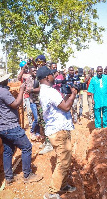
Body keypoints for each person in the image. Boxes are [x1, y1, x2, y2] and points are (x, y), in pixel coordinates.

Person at [0, 71, 42, 185]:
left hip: (1, 127)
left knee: (8, 150)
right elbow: (16, 104)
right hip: (9, 126)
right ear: (3, 80)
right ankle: (27, 175)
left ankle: (9, 177)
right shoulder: (3, 92)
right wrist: (22, 90)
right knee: (27, 147)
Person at [37, 66, 77, 199]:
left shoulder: (46, 91)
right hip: (58, 131)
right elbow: (66, 107)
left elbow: (60, 104)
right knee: (63, 162)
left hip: (57, 129)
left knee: (65, 159)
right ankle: (52, 192)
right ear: (47, 77)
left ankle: (63, 185)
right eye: (52, 74)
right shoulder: (50, 92)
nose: (54, 76)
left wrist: (67, 95)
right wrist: (74, 95)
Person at [34, 55, 54, 155]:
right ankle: (46, 142)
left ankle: (50, 144)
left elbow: (44, 87)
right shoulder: (39, 72)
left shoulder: (46, 72)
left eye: (40, 62)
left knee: (46, 122)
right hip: (39, 101)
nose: (39, 64)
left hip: (45, 100)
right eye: (37, 62)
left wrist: (32, 90)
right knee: (41, 122)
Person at [17, 61, 33, 127]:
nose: (26, 69)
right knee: (25, 110)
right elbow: (19, 77)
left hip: (31, 95)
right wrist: (23, 68)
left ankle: (32, 124)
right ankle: (28, 124)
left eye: (26, 67)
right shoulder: (22, 75)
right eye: (24, 68)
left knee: (30, 111)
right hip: (25, 95)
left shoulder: (30, 74)